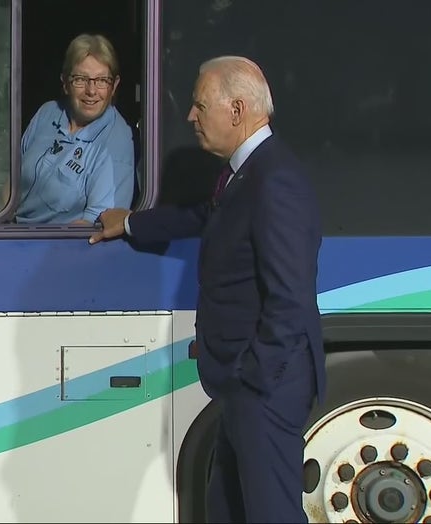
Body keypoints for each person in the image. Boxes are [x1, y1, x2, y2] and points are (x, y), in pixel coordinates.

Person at [90, 56, 324, 523]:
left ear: (236, 110)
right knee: (228, 510)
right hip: (243, 385)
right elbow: (207, 216)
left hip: (262, 388)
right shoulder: (247, 171)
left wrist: (255, 376)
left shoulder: (275, 181)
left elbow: (290, 297)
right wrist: (131, 222)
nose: (190, 117)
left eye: (200, 106)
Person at [14, 33, 135, 224]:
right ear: (65, 82)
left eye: (102, 80)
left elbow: (92, 228)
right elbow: (11, 186)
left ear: (114, 86)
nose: (91, 91)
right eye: (81, 79)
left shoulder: (116, 142)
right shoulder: (47, 113)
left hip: (54, 248)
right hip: (10, 237)